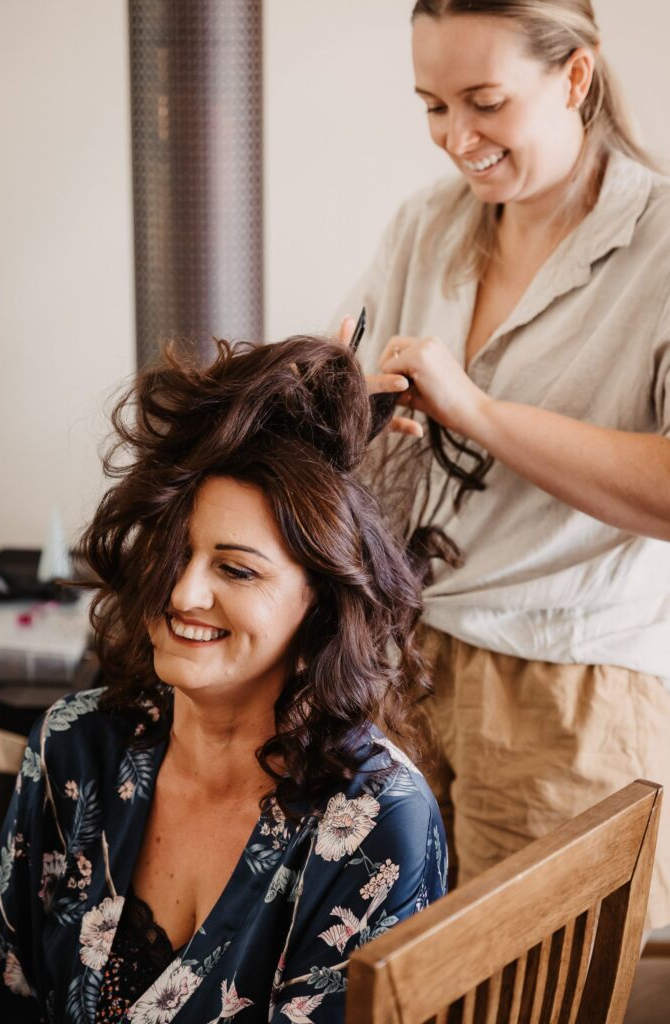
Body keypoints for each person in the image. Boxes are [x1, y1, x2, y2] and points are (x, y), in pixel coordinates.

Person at [0, 337, 447, 1023]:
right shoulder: (73, 746)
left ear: (320, 602)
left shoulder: (376, 821)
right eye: (175, 551)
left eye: (236, 570)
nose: (182, 591)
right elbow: (6, 987)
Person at [336, 0, 670, 930]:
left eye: (483, 101)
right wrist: (346, 400)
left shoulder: (661, 246)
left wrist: (476, 412)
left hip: (562, 695)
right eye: (433, 106)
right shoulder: (423, 226)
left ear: (574, 77)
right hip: (398, 670)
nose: (456, 138)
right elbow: (348, 385)